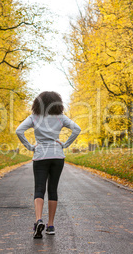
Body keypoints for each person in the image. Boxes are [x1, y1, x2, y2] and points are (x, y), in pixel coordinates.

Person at [15, 91, 81, 239]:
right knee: (53, 189)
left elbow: (19, 131)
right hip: (57, 155)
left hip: (40, 156)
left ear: (38, 103)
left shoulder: (34, 117)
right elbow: (77, 129)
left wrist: (30, 147)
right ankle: (50, 225)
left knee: (39, 189)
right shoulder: (61, 118)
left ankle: (38, 220)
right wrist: (65, 144)